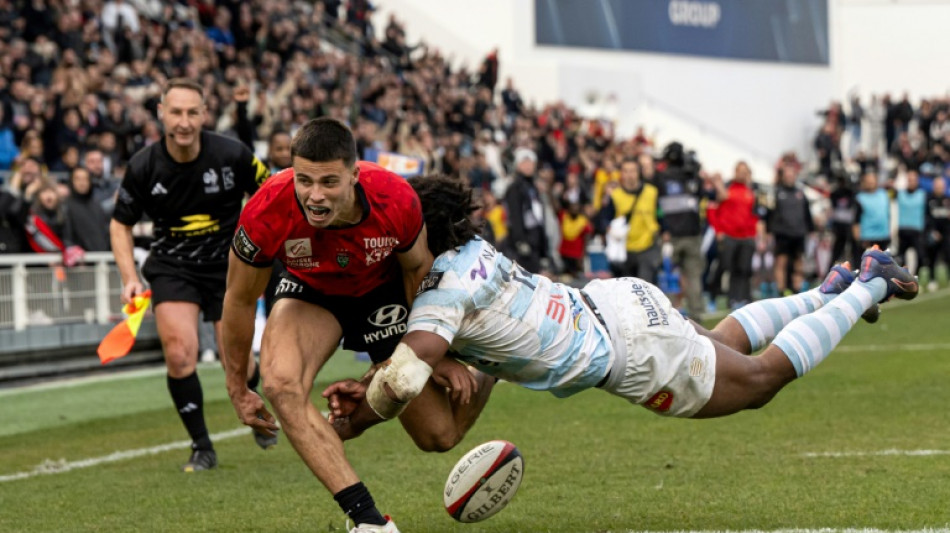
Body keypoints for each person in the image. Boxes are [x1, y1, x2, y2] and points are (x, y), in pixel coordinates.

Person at [324, 175, 917, 459]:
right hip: (613, 300)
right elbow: (446, 347)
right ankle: (827, 291)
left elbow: (404, 376)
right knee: (716, 343)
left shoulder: (439, 294)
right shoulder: (467, 250)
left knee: (760, 381)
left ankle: (868, 284)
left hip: (629, 352)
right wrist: (449, 359)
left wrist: (356, 422)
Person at [219, 117, 467, 533]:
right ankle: (369, 521)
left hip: (382, 294)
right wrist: (237, 386)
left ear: (354, 174)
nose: (314, 196)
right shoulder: (265, 209)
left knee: (437, 435)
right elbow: (240, 300)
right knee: (281, 384)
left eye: (329, 182)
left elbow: (418, 274)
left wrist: (429, 354)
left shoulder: (395, 198)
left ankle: (486, 374)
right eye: (304, 180)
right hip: (310, 292)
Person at [110, 78, 272, 472]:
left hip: (229, 267)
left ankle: (251, 396)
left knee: (238, 363)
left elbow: (273, 194)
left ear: (204, 115)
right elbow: (120, 224)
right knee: (180, 353)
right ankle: (202, 447)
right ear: (161, 113)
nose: (183, 121)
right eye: (176, 112)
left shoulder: (233, 154)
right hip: (172, 267)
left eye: (192, 112)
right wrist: (130, 277)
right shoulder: (143, 165)